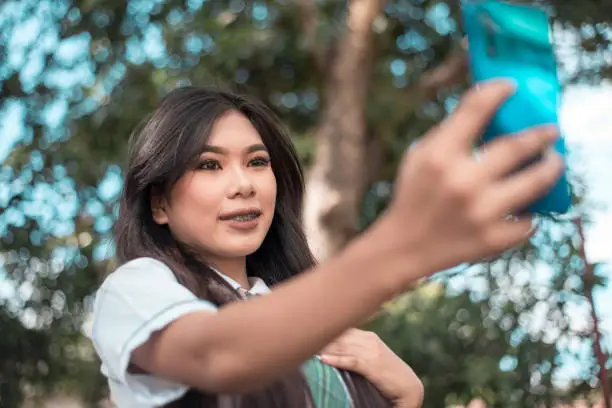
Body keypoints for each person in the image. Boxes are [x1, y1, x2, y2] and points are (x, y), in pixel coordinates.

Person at [88, 80, 563, 408]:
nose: (243, 185)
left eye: (257, 162)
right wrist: (400, 249)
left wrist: (405, 399)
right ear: (159, 205)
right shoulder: (137, 290)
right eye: (209, 165)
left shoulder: (307, 321)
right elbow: (216, 355)